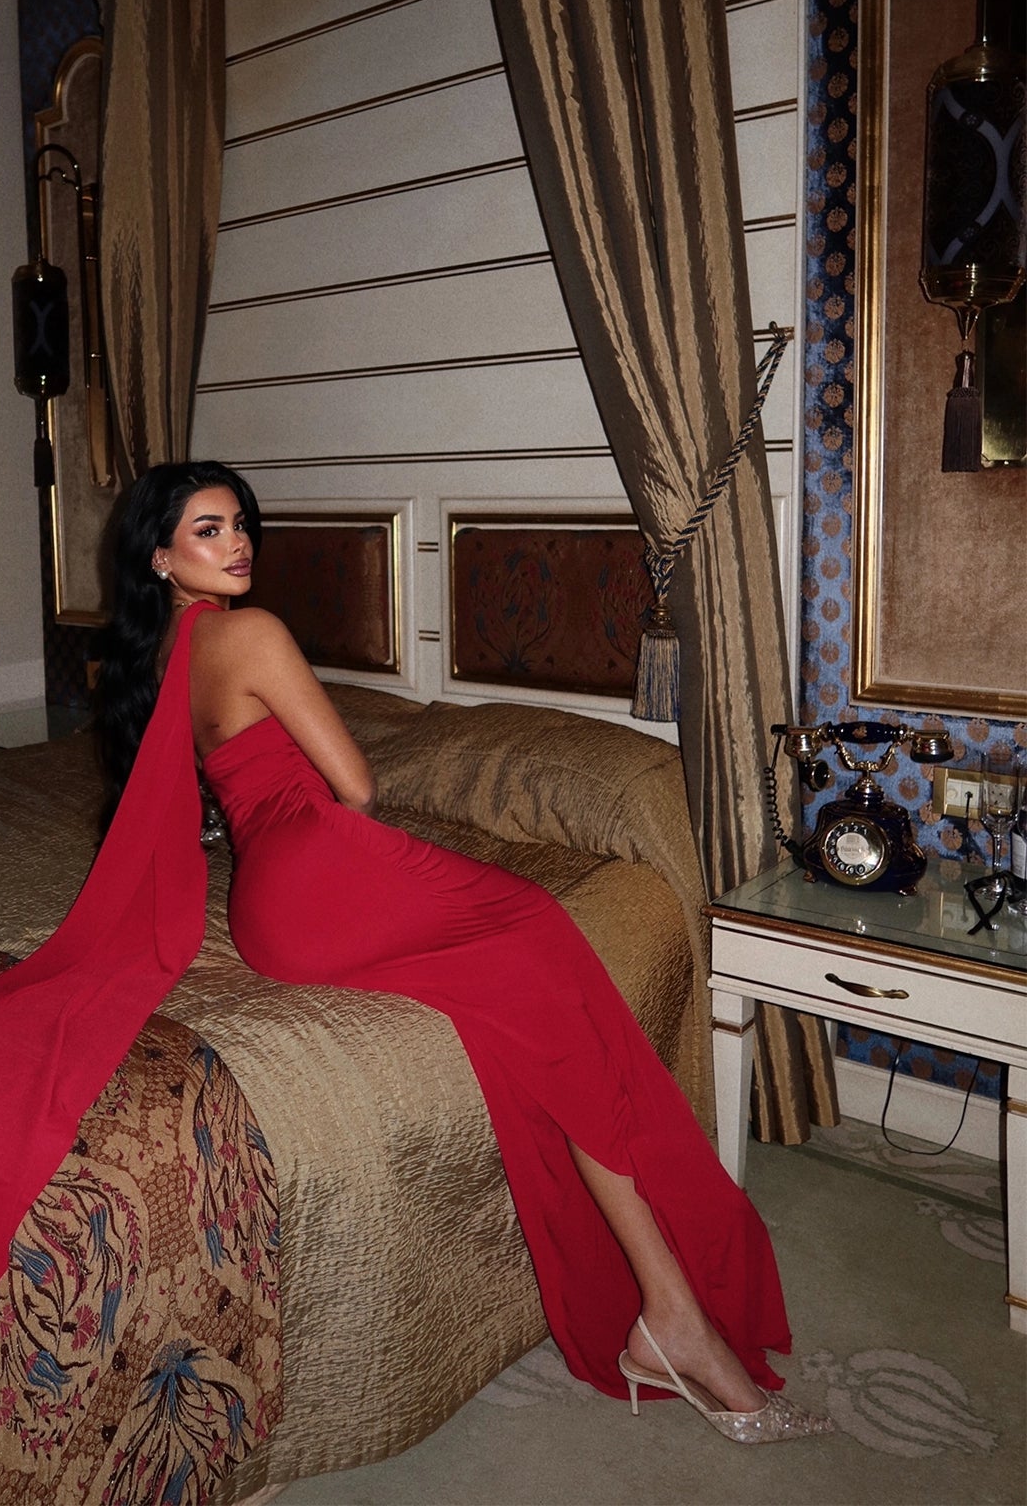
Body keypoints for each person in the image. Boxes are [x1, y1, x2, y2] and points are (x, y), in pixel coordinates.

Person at [98, 459, 833, 1445]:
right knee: (545, 944)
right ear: (161, 556)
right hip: (323, 877)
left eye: (239, 524)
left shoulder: (161, 656)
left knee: (525, 995)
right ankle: (671, 1313)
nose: (237, 544)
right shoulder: (254, 632)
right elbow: (356, 784)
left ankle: (670, 1313)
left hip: (268, 912)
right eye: (208, 530)